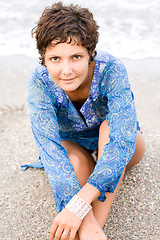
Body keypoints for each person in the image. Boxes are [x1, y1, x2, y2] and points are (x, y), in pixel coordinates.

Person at [24, 2, 145, 240]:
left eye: (76, 56)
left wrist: (77, 207)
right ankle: (93, 231)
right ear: (44, 59)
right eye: (55, 58)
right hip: (71, 145)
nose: (66, 70)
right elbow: (50, 149)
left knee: (109, 131)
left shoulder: (112, 69)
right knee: (75, 163)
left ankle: (91, 230)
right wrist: (81, 212)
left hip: (120, 144)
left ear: (91, 53)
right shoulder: (39, 83)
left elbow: (121, 143)